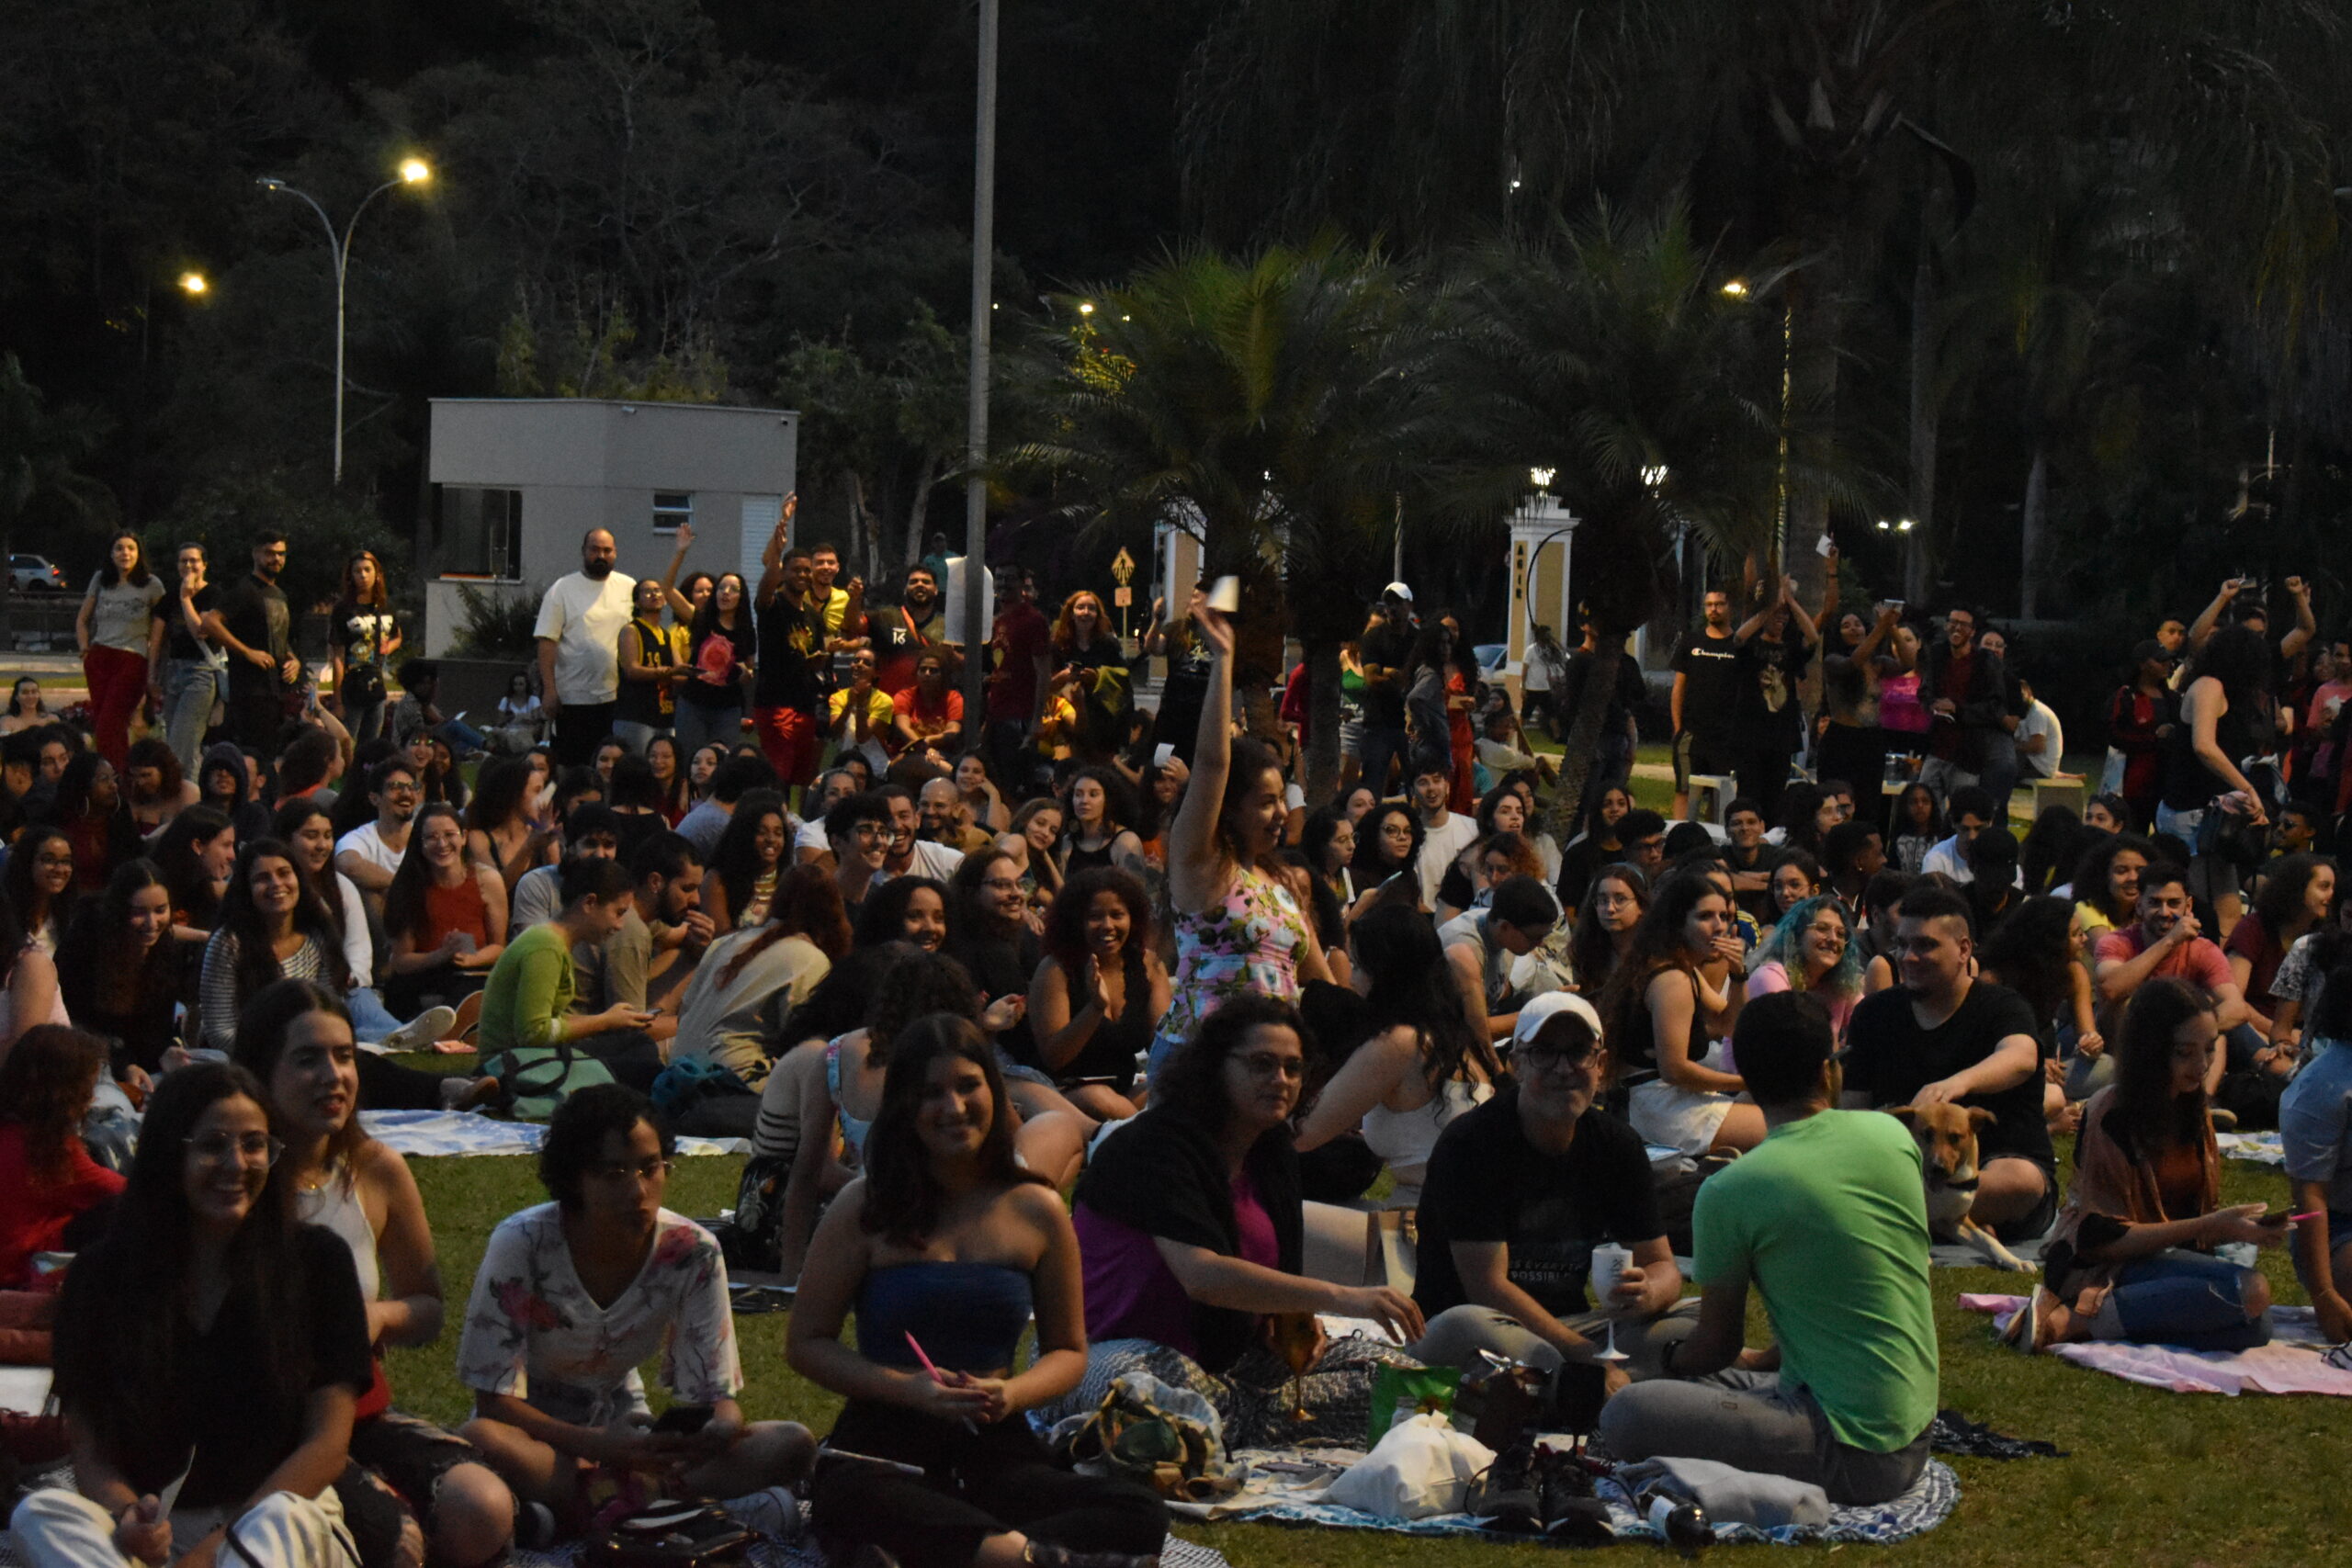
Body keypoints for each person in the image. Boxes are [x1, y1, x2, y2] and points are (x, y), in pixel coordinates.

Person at [788, 1014, 1168, 1568]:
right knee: (849, 1497)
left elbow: (1067, 1351)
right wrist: (909, 1389)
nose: (954, 1107)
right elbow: (806, 1342)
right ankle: (1023, 1557)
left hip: (994, 1440)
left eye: (969, 1086)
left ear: (995, 1091)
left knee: (1139, 1513)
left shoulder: (1036, 1208)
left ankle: (974, 1551)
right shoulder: (865, 1207)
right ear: (904, 1107)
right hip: (888, 1434)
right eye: (931, 1093)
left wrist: (1013, 1394)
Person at [14, 1060, 405, 1568]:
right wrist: (129, 1515)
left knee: (280, 1520)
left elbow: (327, 1445)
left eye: (254, 1144)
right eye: (213, 1144)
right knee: (39, 1513)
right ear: (167, 1154)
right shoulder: (102, 1276)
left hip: (276, 1522)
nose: (236, 1163)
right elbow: (91, 1450)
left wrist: (213, 1551)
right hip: (157, 1530)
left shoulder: (317, 1263)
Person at [1599, 992, 1936, 1504]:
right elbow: (1847, 1289)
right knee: (1690, 1365)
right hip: (1911, 1423)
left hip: (1854, 1453)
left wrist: (1663, 1361)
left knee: (1628, 1412)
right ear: (1828, 1071)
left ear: (1747, 1081)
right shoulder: (1892, 1135)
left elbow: (1716, 1346)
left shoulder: (1731, 1189)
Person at [231, 980, 521, 1566]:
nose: (333, 1076)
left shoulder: (376, 1170)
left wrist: (376, 1316)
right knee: (397, 1542)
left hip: (359, 1415)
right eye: (307, 1059)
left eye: (344, 1056)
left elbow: (429, 1309)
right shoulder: (234, 1180)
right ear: (261, 1072)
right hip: (255, 1429)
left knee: (484, 1506)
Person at [456, 1084, 814, 1532]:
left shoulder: (692, 1250)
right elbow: (493, 1403)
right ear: (575, 1179)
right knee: (480, 1440)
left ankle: (591, 1512)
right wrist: (599, 1446)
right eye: (613, 1173)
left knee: (790, 1443)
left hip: (633, 1437)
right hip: (538, 1438)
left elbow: (714, 1395)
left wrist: (717, 1429)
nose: (637, 1190)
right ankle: (671, 1511)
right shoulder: (523, 1243)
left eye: (650, 1169)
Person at [1068, 996, 1423, 1444]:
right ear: (1217, 1067)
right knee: (1130, 1390)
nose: (1281, 1080)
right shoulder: (1153, 1147)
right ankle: (1253, 1419)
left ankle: (1233, 1420)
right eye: (1261, 1064)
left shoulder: (1272, 1148)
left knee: (1400, 1376)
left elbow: (1279, 1277)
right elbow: (1204, 1276)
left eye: (1294, 1068)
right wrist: (1344, 1297)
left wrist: (1293, 1318)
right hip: (1118, 1352)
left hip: (1227, 1363)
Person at [1408, 991, 1693, 1391]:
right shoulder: (1472, 1144)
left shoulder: (1618, 1145)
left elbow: (1663, 1266)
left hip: (1573, 1327)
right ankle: (1596, 1385)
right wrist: (1583, 1355)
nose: (1564, 1069)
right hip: (1487, 1326)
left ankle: (1580, 1387)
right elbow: (1488, 1288)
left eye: (1578, 1053)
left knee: (1692, 1320)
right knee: (1464, 1326)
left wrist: (1649, 1293)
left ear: (1601, 1064)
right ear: (1517, 1065)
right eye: (1544, 1053)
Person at [2012, 978, 2282, 1352]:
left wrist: (2244, 1231)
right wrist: (2212, 1225)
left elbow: (2188, 1220)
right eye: (2185, 1053)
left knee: (2257, 1326)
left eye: (2209, 1050)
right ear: (2152, 1051)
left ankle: (2104, 1322)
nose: (2201, 1065)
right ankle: (2071, 1317)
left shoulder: (2192, 1106)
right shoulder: (2111, 1112)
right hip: (2101, 1265)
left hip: (2164, 1256)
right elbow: (2098, 1240)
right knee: (2248, 1291)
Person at [1148, 592, 1329, 1082]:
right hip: (1200, 1062)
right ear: (1228, 806)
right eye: (1266, 801)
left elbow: (1323, 987)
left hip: (1271, 1069)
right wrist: (1223, 660)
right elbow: (1211, 763)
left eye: (1281, 799)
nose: (1280, 814)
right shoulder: (1203, 864)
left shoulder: (1280, 886)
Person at [1841, 884, 2056, 1242]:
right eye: (1902, 944)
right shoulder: (1873, 1014)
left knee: (2020, 1181)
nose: (1908, 957)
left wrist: (1957, 1084)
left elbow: (2021, 1057)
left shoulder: (2003, 1006)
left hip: (1994, 1172)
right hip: (1906, 1172)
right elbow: (1854, 1113)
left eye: (1925, 945)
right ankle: (1943, 1222)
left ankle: (1913, 1217)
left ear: (1964, 949)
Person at [1294, 904, 1498, 1205]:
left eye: (1359, 966)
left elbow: (1303, 1135)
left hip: (1428, 1219)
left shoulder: (1399, 1044)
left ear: (1386, 975)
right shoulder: (1454, 1039)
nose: (1351, 979)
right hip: (1460, 1213)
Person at [668, 863, 846, 1137]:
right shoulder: (809, 959)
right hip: (732, 1084)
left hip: (678, 1077)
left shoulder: (726, 942)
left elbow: (685, 1012)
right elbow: (803, 1044)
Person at [478, 856, 664, 1100]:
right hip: (508, 1064)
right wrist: (604, 1022)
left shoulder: (553, 942)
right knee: (645, 1068)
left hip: (526, 1055)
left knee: (637, 1044)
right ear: (589, 903)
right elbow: (534, 1032)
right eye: (618, 913)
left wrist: (611, 1021)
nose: (620, 925)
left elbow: (544, 1022)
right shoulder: (546, 947)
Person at [2159, 622, 2274, 936]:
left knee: (2227, 908)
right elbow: (2204, 746)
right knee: (2205, 909)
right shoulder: (2209, 686)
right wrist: (2247, 788)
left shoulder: (2227, 693)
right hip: (2194, 811)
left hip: (2212, 811)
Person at [1025, 867, 1167, 1120]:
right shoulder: (1055, 969)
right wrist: (1094, 1008)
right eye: (1094, 916)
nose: (1108, 926)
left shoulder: (1149, 965)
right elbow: (1055, 1058)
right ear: (1076, 921)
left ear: (1132, 918)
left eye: (1117, 915)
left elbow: (1161, 1045)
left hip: (1125, 1091)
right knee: (1101, 1099)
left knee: (1168, 1088)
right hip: (1064, 1091)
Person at [0, 1025, 124, 1289]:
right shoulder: (51, 1150)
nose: (91, 1098)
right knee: (121, 1210)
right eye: (87, 1088)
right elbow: (125, 1190)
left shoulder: (12, 1131)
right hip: (21, 1272)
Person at [380, 803, 507, 1017]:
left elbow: (498, 947)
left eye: (450, 835)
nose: (442, 844)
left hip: (474, 970)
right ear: (420, 844)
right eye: (431, 838)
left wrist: (470, 959)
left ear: (464, 837)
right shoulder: (409, 887)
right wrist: (441, 955)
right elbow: (401, 961)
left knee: (470, 989)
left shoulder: (487, 880)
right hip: (424, 972)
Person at [535, 528, 637, 768]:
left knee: (614, 767)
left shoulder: (629, 587)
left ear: (615, 553)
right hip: (574, 699)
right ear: (583, 552)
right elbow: (547, 642)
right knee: (574, 767)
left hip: (618, 698)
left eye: (607, 550)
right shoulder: (561, 589)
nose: (601, 555)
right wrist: (549, 690)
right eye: (594, 549)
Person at [752, 498, 828, 791]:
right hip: (775, 702)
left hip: (805, 704)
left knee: (800, 778)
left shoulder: (812, 614)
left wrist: (820, 660)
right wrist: (777, 550)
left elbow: (816, 653)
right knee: (777, 777)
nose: (803, 575)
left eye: (807, 570)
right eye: (796, 570)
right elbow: (765, 587)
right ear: (784, 573)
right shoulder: (774, 606)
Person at [74, 530, 164, 770]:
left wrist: (153, 669)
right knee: (104, 725)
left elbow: (161, 628)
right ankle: (113, 778)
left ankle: (116, 779)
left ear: (139, 553)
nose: (125, 553)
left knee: (109, 725)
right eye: (119, 548)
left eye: (131, 548)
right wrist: (85, 650)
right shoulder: (100, 580)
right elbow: (82, 619)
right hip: (100, 657)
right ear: (111, 554)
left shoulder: (152, 585)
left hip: (132, 659)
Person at [1438, 874, 1558, 1043]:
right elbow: (1465, 1031)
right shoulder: (1464, 947)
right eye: (1533, 937)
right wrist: (1537, 1014)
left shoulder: (1501, 927)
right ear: (1505, 927)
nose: (1539, 943)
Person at [214, 531, 303, 753]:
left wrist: (294, 660)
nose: (277, 559)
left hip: (277, 689)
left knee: (274, 755)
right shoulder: (244, 590)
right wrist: (247, 652)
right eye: (270, 553)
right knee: (254, 757)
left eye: (281, 554)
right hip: (250, 691)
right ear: (256, 554)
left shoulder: (280, 594)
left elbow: (276, 635)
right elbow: (210, 622)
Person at [1917, 604, 2012, 807]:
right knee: (1925, 806)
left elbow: (1995, 706)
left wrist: (1958, 709)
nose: (1957, 628)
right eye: (1953, 622)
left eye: (1963, 624)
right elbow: (1924, 691)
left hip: (1967, 752)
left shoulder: (1984, 662)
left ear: (1972, 631)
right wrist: (1933, 705)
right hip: (1936, 746)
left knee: (1963, 811)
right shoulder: (1937, 655)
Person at [149, 545, 225, 776]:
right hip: (174, 671)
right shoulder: (168, 598)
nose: (189, 566)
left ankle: (187, 798)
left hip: (200, 673)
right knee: (173, 740)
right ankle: (183, 792)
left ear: (204, 565)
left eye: (194, 561)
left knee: (184, 745)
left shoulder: (213, 595)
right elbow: (157, 639)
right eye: (183, 561)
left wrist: (186, 599)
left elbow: (200, 631)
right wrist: (152, 675)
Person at [1746, 894, 1863, 1040]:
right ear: (1797, 934)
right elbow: (1790, 1045)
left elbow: (1868, 1023)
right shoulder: (1769, 977)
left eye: (1840, 934)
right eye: (1822, 928)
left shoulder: (1839, 985)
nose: (1833, 938)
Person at [1669, 588, 1742, 820]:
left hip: (1727, 736)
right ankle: (1680, 839)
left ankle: (1713, 841)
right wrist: (1678, 727)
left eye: (1719, 604)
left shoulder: (1740, 645)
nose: (1714, 609)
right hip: (1692, 733)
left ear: (1729, 607)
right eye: (1709, 604)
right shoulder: (1691, 641)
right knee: (1685, 790)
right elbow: (1679, 687)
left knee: (1719, 795)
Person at [983, 567, 1053, 784]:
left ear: (1023, 583)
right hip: (996, 712)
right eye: (1000, 578)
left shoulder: (1033, 620)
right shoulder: (997, 620)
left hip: (1019, 715)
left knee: (1014, 780)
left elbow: (1043, 672)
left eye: (1010, 578)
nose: (1004, 584)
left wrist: (1036, 720)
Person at [1048, 591, 1130, 765]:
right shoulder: (1059, 644)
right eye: (1080, 608)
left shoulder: (1108, 645)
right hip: (1068, 720)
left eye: (1091, 608)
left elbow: (1123, 685)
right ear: (1071, 613)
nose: (1086, 612)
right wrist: (1064, 676)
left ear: (1098, 615)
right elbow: (1045, 686)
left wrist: (1098, 678)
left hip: (1102, 721)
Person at [329, 550, 401, 745]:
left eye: (367, 570)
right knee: (346, 742)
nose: (363, 575)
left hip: (376, 685)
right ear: (350, 576)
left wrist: (388, 647)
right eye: (357, 571)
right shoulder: (344, 609)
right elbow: (337, 656)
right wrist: (338, 701)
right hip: (351, 686)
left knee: (370, 745)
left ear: (376, 573)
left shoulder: (384, 605)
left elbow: (397, 636)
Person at [704, 789, 793, 933]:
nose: (771, 840)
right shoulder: (717, 880)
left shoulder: (791, 879)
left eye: (778, 833)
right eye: (761, 832)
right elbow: (722, 940)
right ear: (744, 836)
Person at [334, 756, 419, 899]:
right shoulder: (361, 838)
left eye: (412, 788)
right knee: (370, 894)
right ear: (374, 798)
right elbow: (347, 863)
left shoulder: (424, 835)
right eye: (396, 787)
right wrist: (402, 889)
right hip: (383, 914)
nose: (406, 794)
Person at [1408, 761, 1478, 912]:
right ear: (1412, 791)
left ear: (1447, 786)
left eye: (1437, 780)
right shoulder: (1407, 836)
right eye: (1423, 782)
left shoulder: (1472, 829)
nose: (1431, 788)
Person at [1055, 769, 1143, 882]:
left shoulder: (1125, 841)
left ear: (1108, 799)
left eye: (1093, 794)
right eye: (1078, 794)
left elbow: (1136, 891)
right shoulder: (1068, 841)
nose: (1084, 801)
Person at [892, 649, 967, 763]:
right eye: (922, 669)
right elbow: (903, 728)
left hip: (944, 755)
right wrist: (926, 748)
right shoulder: (904, 696)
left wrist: (928, 741)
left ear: (944, 675)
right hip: (908, 755)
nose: (927, 674)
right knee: (927, 761)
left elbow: (953, 731)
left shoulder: (953, 698)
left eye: (933, 671)